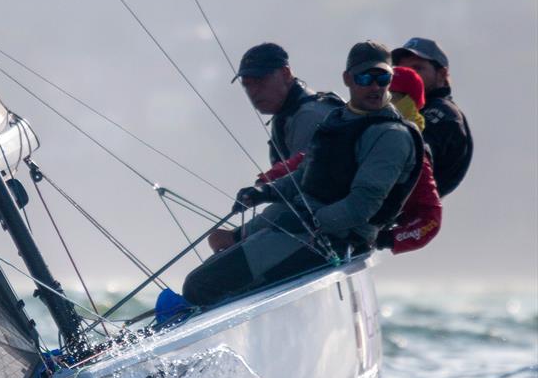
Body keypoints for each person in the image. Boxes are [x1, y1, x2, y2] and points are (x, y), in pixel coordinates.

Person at [184, 41, 422, 308]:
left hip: (334, 243)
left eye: (383, 78)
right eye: (365, 77)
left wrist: (314, 220)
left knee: (202, 286)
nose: (375, 86)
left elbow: (361, 206)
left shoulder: (391, 136)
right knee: (201, 281)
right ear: (348, 79)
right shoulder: (341, 121)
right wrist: (267, 192)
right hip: (306, 232)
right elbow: (309, 171)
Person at [209, 43, 342, 254]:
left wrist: (238, 235)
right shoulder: (290, 114)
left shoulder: (309, 116)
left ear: (286, 73)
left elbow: (306, 196)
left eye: (260, 81)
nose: (253, 92)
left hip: (328, 234)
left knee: (202, 284)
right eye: (247, 85)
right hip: (314, 229)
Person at [391, 37, 473, 196]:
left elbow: (410, 157)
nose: (407, 75)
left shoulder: (445, 114)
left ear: (442, 74)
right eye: (401, 70)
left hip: (407, 212)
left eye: (417, 68)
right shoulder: (403, 108)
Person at [377, 66, 442, 255]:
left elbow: (431, 220)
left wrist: (385, 239)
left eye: (393, 96)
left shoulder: (414, 153)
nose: (384, 100)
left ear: (411, 103)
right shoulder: (361, 126)